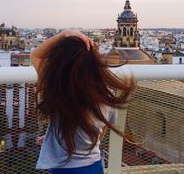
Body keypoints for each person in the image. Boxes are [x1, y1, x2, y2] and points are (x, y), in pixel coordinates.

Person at [30, 30, 135, 174]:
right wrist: (53, 137)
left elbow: (35, 55)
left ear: (60, 64)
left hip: (64, 169)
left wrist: (64, 34)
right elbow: (97, 135)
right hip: (93, 166)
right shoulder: (106, 96)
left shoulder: (58, 90)